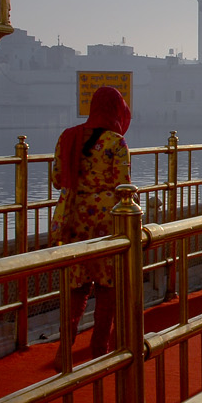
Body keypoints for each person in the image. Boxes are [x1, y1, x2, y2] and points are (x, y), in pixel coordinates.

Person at [51, 85, 132, 357]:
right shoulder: (116, 142)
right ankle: (99, 348)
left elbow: (56, 179)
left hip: (74, 219)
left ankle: (64, 350)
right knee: (108, 287)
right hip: (107, 222)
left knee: (77, 286)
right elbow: (124, 187)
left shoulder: (68, 137)